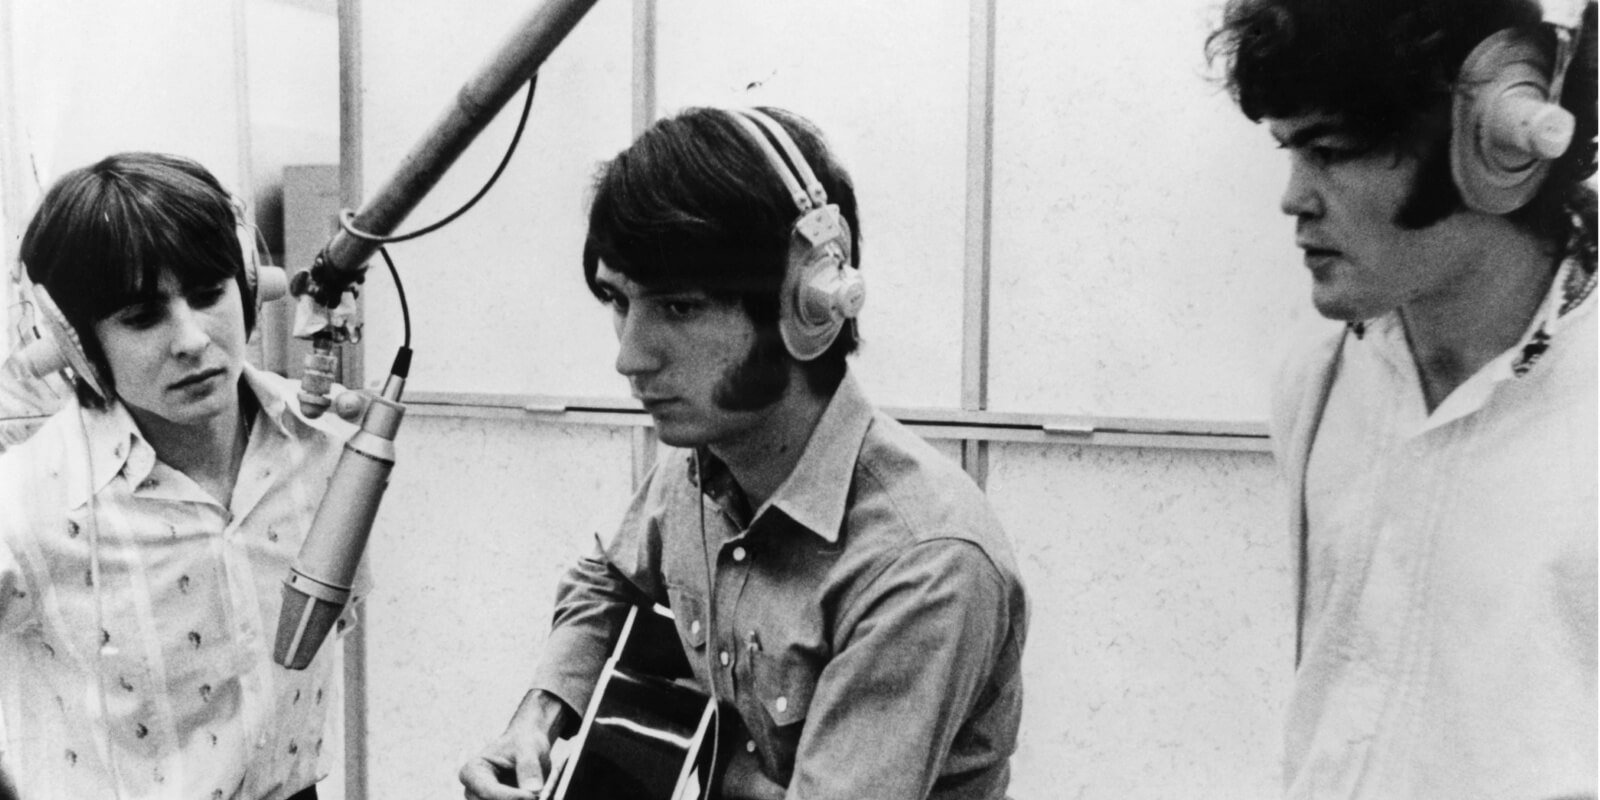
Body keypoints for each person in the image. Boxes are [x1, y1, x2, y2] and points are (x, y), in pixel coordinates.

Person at [458, 106, 1029, 800]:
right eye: (617, 300)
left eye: (679, 308)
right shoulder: (701, 464)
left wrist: (712, 775)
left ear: (809, 306)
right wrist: (540, 715)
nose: (629, 357)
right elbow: (606, 581)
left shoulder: (926, 563)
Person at [1208, 0, 1598, 796]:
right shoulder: (1317, 383)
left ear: (1495, 137)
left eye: (1332, 149)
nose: (1294, 198)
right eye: (1289, 149)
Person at [0, 152, 358, 800]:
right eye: (142, 318)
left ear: (246, 284)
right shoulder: (26, 505)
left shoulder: (325, 450)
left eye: (207, 293)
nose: (191, 339)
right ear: (77, 342)